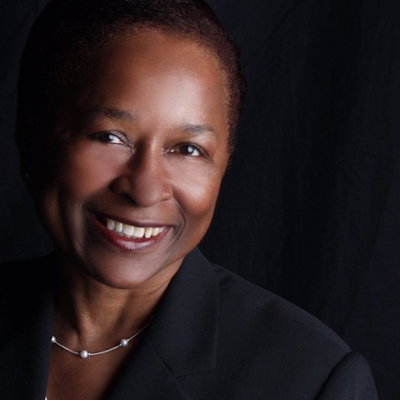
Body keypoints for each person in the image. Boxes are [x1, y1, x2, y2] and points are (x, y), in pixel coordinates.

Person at [0, 0, 379, 399]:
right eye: (110, 137)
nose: (145, 190)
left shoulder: (313, 380)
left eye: (188, 149)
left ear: (224, 164)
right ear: (31, 142)